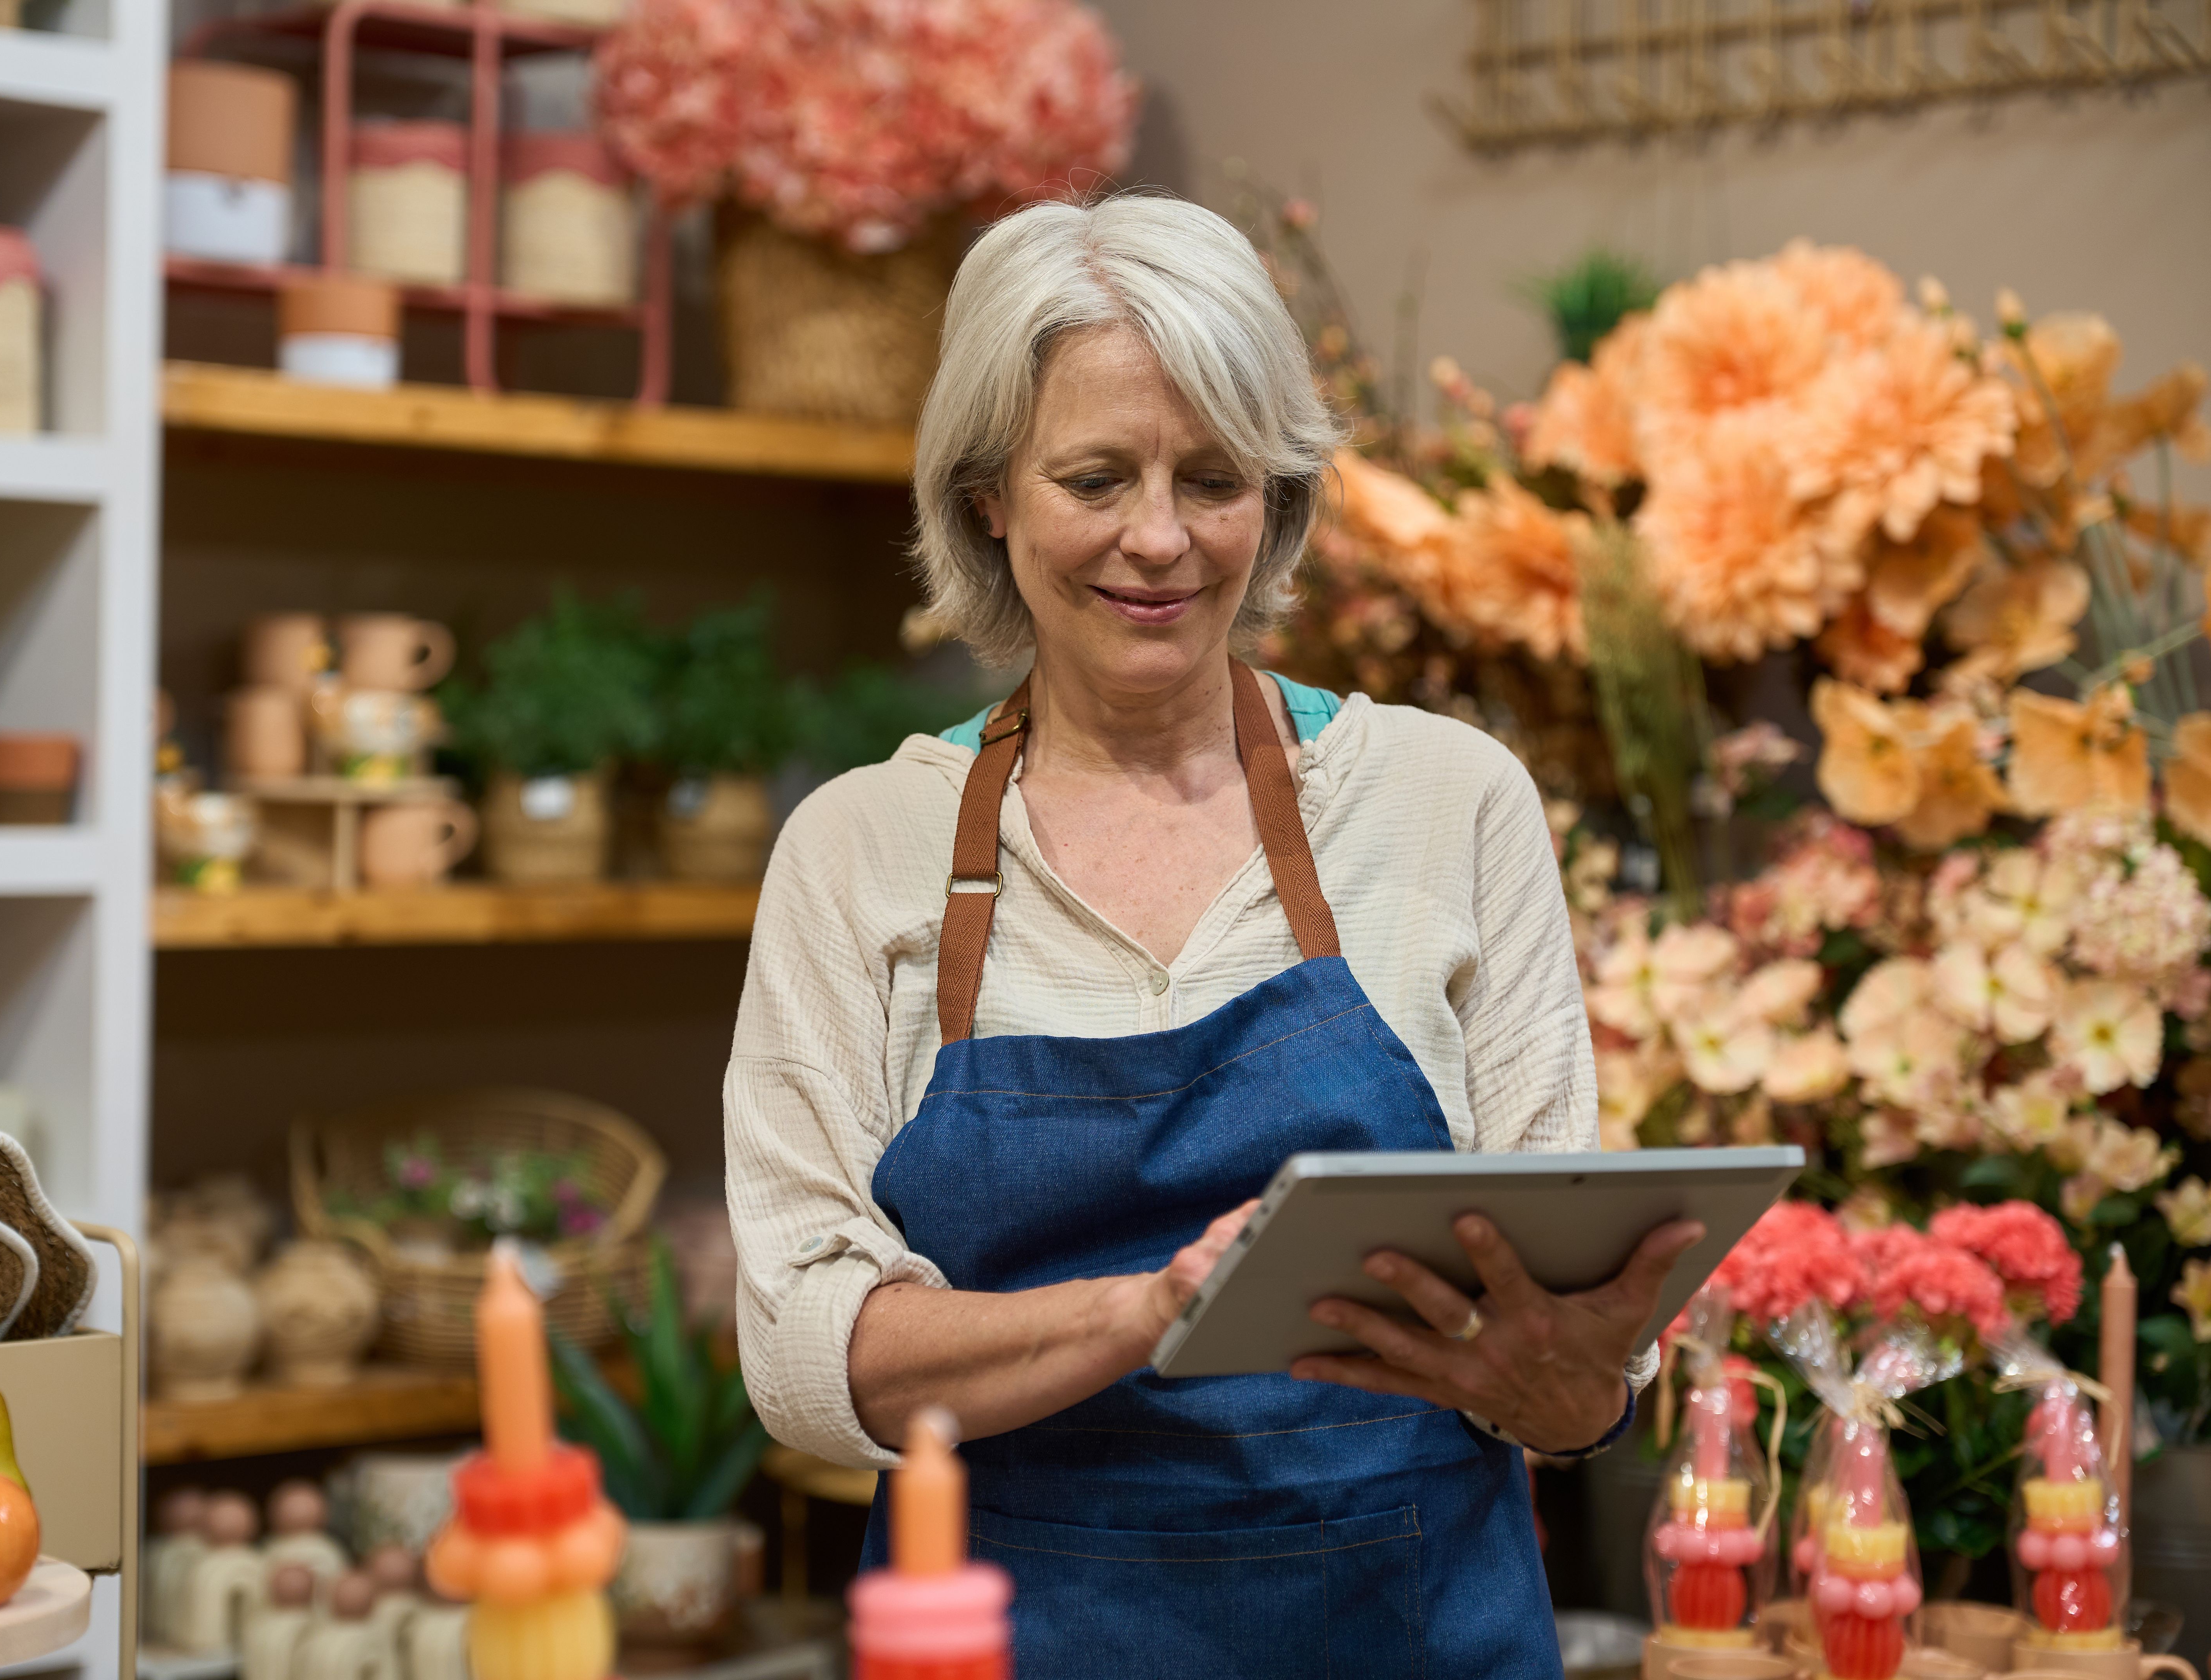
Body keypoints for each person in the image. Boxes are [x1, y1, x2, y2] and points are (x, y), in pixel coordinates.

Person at [723, 193, 1700, 1676]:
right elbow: (806, 1356)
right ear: (987, 496)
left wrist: (1574, 1389)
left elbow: (1570, 1375)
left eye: (1215, 478)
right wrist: (1154, 1310)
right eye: (1095, 478)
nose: (1161, 539)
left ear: (1278, 496)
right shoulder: (862, 849)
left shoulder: (1445, 802)